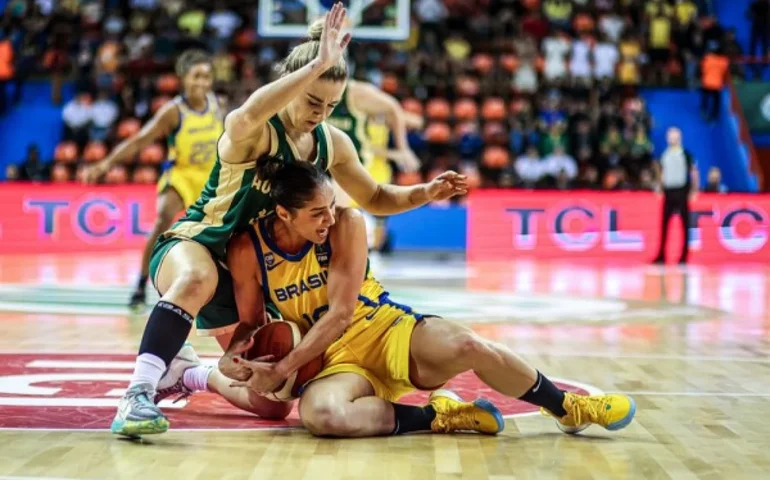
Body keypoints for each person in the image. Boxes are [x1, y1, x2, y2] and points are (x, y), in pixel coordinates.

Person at [110, 4, 467, 438]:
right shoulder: (255, 131)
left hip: (247, 270)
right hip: (197, 243)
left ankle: (187, 373)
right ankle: (137, 394)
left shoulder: (331, 143)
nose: (320, 112)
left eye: (330, 105)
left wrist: (424, 192)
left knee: (271, 403)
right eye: (313, 100)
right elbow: (244, 115)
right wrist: (317, 64)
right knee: (199, 277)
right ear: (291, 86)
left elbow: (374, 197)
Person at [164, 158, 636, 438]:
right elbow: (252, 322)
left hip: (385, 331)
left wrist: (283, 367)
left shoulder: (347, 224)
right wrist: (238, 356)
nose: (329, 218)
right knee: (322, 416)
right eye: (316, 213)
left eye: (330, 206)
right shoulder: (248, 248)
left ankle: (567, 408)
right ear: (284, 214)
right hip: (330, 362)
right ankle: (437, 416)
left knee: (468, 345)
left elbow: (342, 313)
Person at [83, 49, 223, 311]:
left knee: (224, 235)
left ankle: (218, 290)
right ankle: (140, 283)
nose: (202, 82)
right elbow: (140, 141)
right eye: (196, 76)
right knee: (163, 217)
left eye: (206, 77)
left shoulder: (218, 105)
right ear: (183, 78)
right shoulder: (173, 111)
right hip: (181, 175)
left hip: (210, 178)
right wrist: (105, 164)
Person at [324, 78, 423, 251]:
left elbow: (416, 121)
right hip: (362, 165)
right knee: (344, 211)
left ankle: (370, 249)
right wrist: (395, 152)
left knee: (375, 216)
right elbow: (369, 147)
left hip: (375, 168)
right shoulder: (363, 115)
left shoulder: (377, 112)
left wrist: (402, 144)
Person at [652, 127, 699, 265]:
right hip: (668, 191)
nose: (672, 139)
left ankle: (684, 256)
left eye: (675, 136)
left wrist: (694, 190)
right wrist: (659, 187)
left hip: (681, 191)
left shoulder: (686, 154)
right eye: (670, 136)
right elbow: (661, 171)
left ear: (679, 138)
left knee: (684, 224)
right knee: (664, 224)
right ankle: (662, 255)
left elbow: (694, 172)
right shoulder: (664, 154)